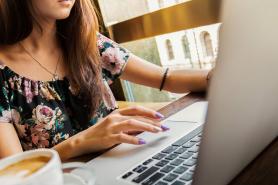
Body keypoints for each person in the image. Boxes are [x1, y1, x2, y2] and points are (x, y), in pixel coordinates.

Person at [0, 0, 210, 161]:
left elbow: (166, 78)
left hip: (124, 164)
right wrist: (82, 142)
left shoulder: (88, 43)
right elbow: (15, 170)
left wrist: (219, 76)